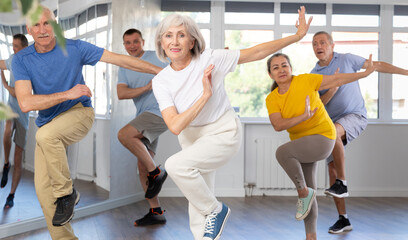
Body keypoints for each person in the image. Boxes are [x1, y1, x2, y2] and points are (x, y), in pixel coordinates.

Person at [152, 7, 311, 240]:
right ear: (161, 42)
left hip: (223, 132)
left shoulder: (211, 59)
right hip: (191, 138)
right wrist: (204, 96)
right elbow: (175, 126)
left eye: (181, 35)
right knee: (198, 194)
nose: (174, 41)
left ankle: (216, 209)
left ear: (192, 41)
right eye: (168, 35)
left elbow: (255, 52)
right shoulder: (161, 81)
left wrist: (296, 37)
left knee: (177, 166)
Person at [12, 7, 162, 240]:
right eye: (36, 25)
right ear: (28, 29)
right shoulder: (21, 59)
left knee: (45, 137)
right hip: (49, 122)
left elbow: (120, 59)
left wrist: (160, 71)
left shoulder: (75, 48)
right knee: (43, 193)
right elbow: (25, 102)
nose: (43, 30)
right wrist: (66, 93)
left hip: (79, 112)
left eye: (47, 23)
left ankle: (67, 193)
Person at [265, 53, 375, 240]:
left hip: (323, 136)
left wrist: (363, 74)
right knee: (309, 191)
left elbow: (337, 78)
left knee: (282, 153)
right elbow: (278, 125)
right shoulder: (272, 99)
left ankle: (303, 193)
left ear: (291, 68)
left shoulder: (306, 81)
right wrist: (303, 117)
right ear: (270, 74)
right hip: (303, 144)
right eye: (275, 67)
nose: (281, 70)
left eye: (284, 65)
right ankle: (311, 236)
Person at [311, 31, 408, 234]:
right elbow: (319, 105)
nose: (318, 46)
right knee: (331, 170)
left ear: (331, 45)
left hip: (354, 116)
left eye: (322, 42)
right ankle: (343, 219)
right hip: (332, 123)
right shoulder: (314, 75)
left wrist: (406, 72)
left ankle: (343, 183)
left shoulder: (346, 59)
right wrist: (332, 89)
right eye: (314, 44)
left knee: (334, 134)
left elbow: (377, 65)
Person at [117, 28, 168, 226]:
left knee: (124, 135)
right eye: (128, 43)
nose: (132, 46)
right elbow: (122, 93)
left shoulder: (156, 56)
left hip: (160, 111)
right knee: (142, 165)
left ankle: (157, 172)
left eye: (135, 41)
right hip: (145, 116)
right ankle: (156, 211)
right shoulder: (124, 66)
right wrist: (146, 88)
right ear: (124, 45)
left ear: (143, 41)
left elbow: (182, 63)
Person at [0, 33, 30, 209]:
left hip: (24, 113)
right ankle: (5, 164)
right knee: (6, 129)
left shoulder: (30, 65)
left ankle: (11, 195)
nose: (14, 49)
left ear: (24, 48)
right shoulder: (12, 59)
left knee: (19, 157)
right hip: (12, 108)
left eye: (16, 46)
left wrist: (4, 83)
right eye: (12, 45)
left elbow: (15, 92)